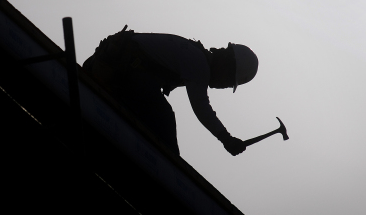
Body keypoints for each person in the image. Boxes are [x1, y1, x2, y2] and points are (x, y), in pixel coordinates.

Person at [82, 26, 258, 156]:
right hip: (120, 69)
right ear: (225, 64)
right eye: (227, 82)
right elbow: (201, 107)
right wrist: (225, 138)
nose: (222, 86)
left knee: (154, 113)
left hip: (113, 67)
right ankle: (168, 167)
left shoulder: (193, 56)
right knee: (163, 116)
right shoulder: (198, 63)